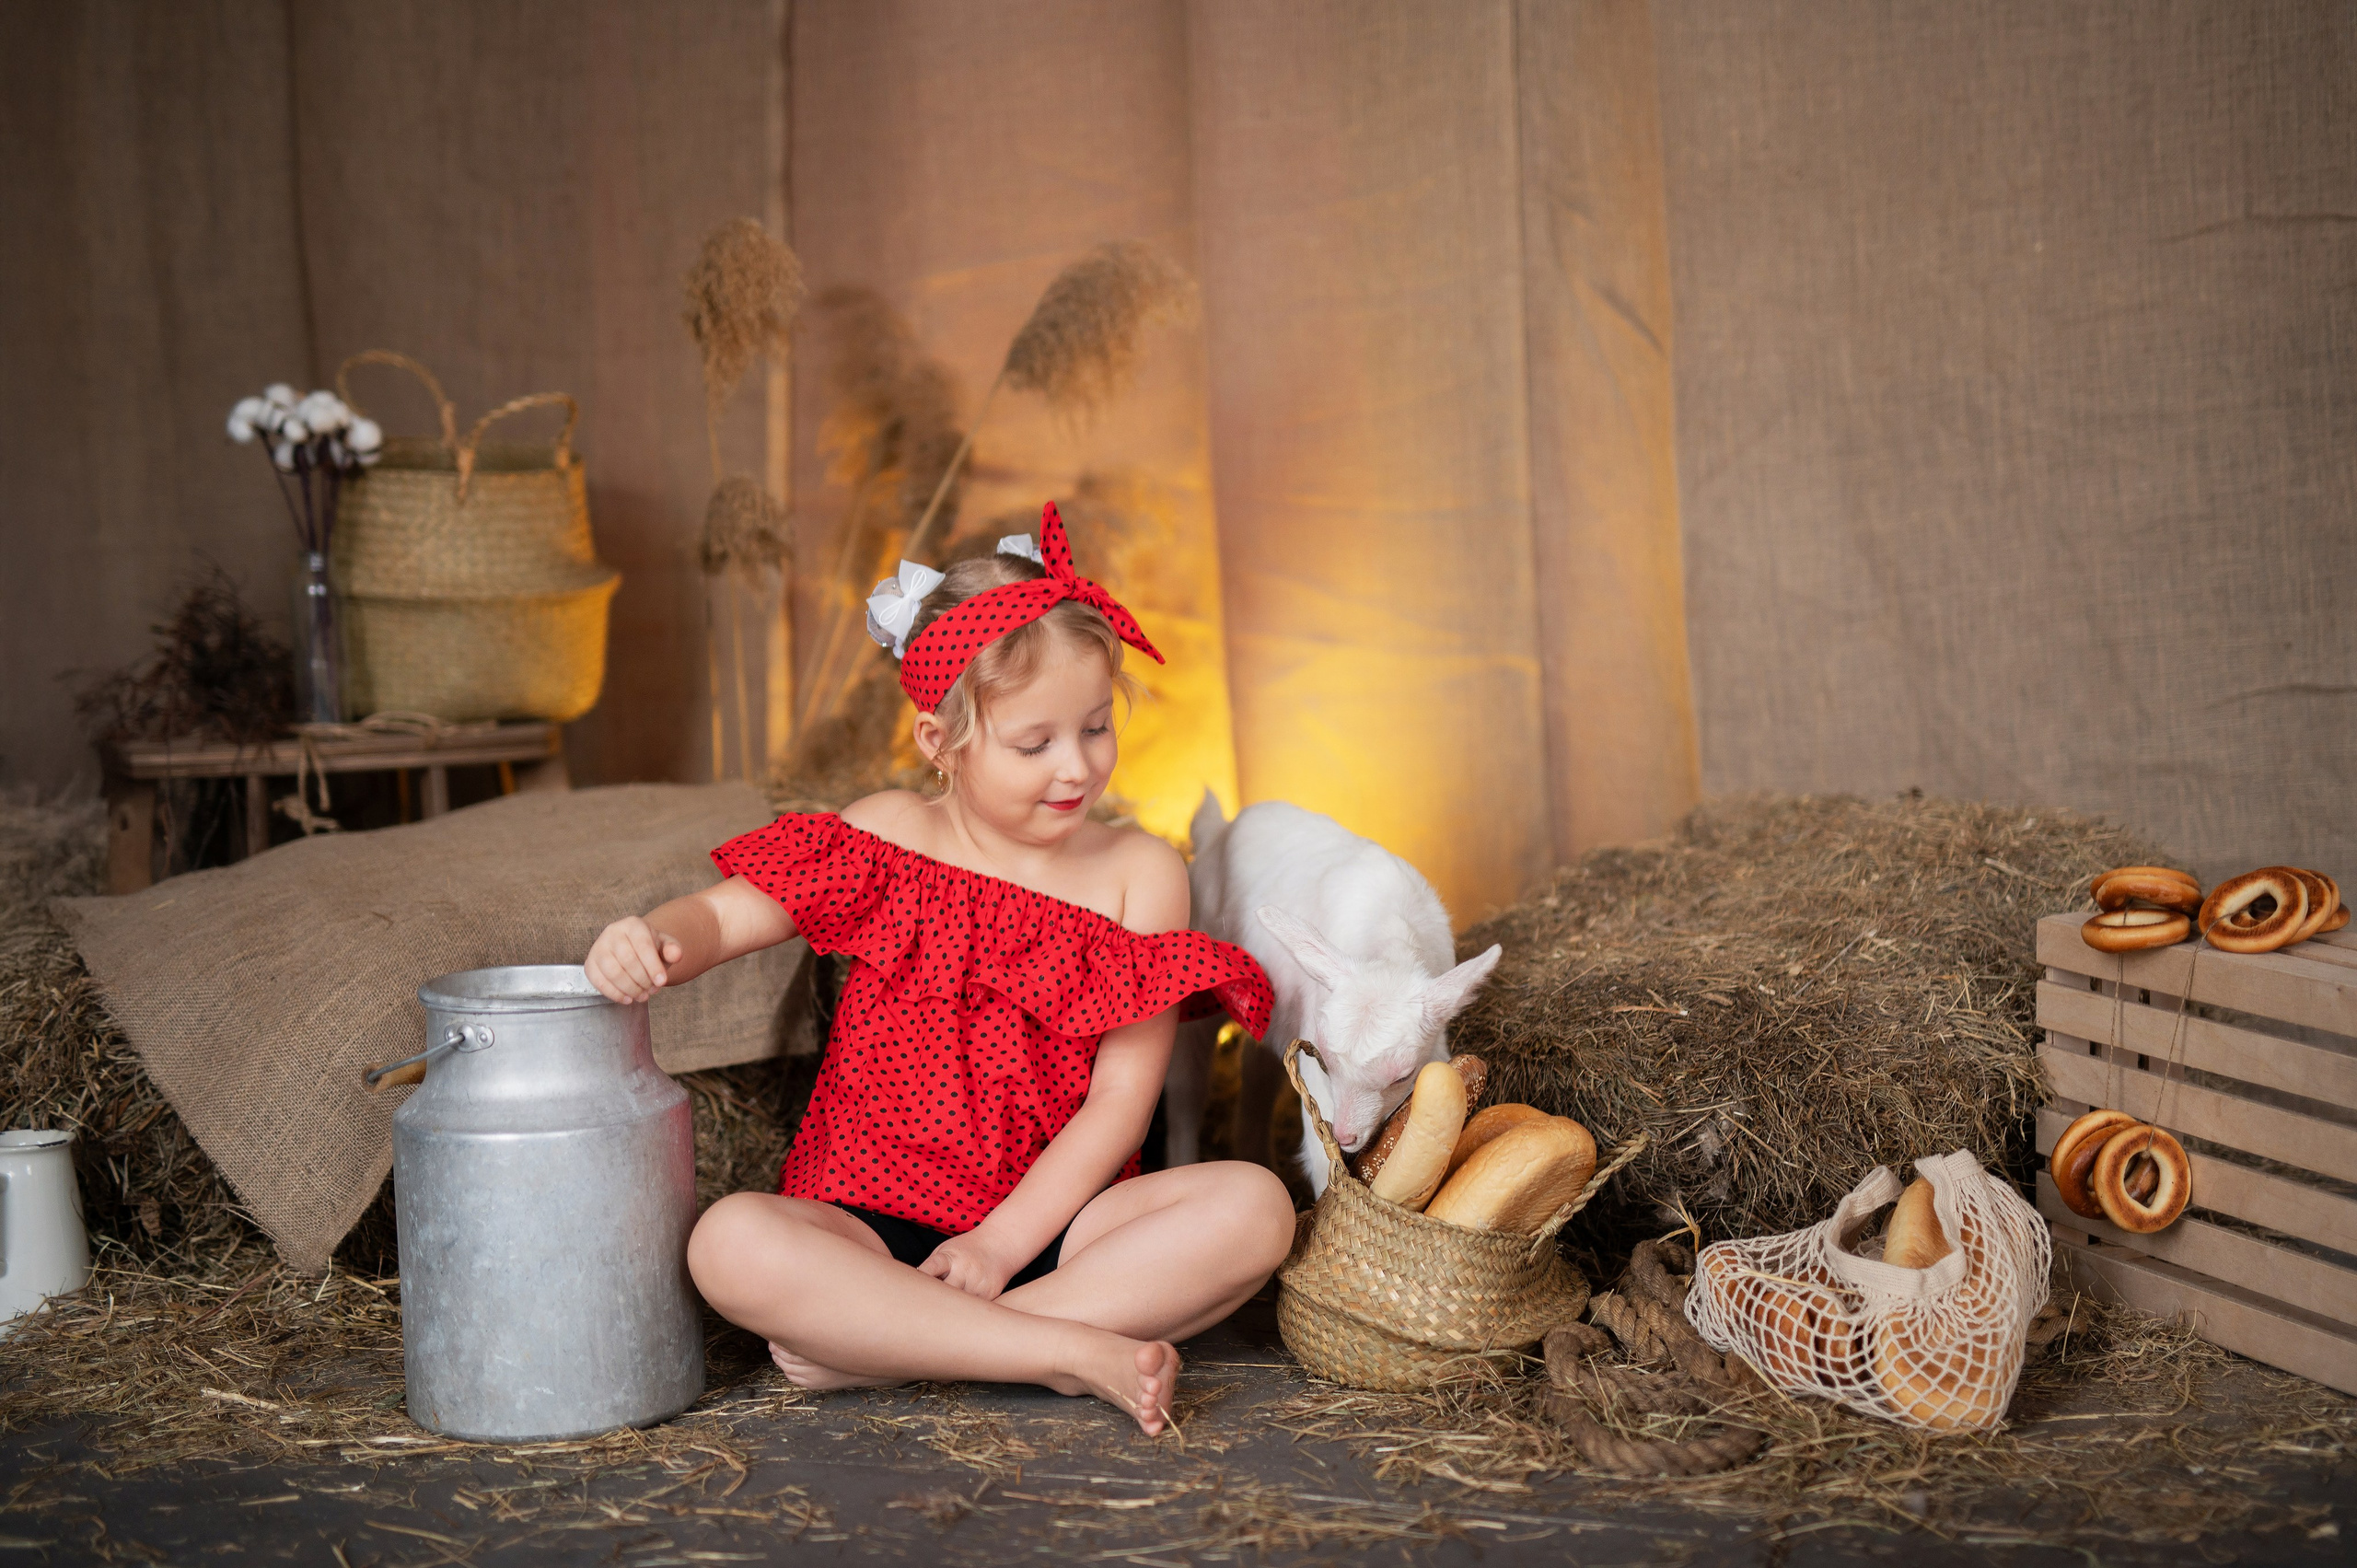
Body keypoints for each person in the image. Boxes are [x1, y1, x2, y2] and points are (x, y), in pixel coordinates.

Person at [585, 504, 1295, 1434]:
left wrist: (1001, 1244)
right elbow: (725, 913)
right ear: (940, 742)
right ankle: (1060, 1349)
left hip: (1058, 1226)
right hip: (865, 1223)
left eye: (1093, 727)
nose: (1075, 766)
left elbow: (1119, 1104)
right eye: (1034, 743)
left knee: (1255, 1206)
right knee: (729, 1243)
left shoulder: (1140, 873)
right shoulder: (887, 833)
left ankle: (883, 1351)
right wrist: (655, 939)